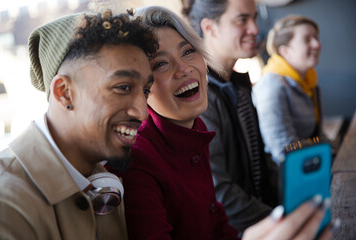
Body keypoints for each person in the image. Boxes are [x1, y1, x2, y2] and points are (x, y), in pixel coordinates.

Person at [107, 6, 333, 240]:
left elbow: (217, 225)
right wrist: (281, 222)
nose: (184, 69)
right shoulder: (136, 159)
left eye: (187, 51)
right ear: (140, 86)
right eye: (161, 64)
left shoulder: (197, 130)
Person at [0, 9, 158, 239]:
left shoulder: (103, 184)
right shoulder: (4, 203)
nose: (142, 113)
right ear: (64, 93)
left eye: (145, 91)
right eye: (123, 87)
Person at [182, 0, 277, 232]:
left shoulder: (236, 85)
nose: (255, 29)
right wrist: (281, 219)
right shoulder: (199, 97)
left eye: (254, 18)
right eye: (242, 19)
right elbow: (219, 193)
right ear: (210, 27)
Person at [252, 15, 323, 164]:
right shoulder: (272, 87)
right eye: (307, 39)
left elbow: (316, 134)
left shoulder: (308, 79)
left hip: (310, 159)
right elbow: (284, 150)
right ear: (285, 51)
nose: (316, 44)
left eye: (316, 37)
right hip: (290, 176)